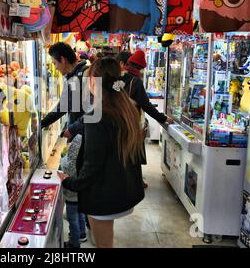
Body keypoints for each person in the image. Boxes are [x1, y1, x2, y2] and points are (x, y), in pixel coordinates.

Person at [58, 57, 146, 248]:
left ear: (93, 81)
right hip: (123, 189)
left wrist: (69, 181)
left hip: (103, 195)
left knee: (103, 245)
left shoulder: (97, 116)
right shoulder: (126, 107)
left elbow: (92, 165)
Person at [121, 50, 173, 188]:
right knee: (134, 151)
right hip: (132, 122)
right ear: (140, 67)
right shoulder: (135, 81)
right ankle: (136, 181)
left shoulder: (120, 77)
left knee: (124, 151)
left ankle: (124, 179)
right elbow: (146, 105)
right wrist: (162, 118)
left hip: (118, 121)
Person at [41, 42, 89, 141]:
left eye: (55, 63)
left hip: (89, 138)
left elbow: (95, 111)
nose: (55, 67)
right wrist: (41, 124)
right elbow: (62, 107)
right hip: (79, 138)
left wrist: (72, 129)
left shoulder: (87, 75)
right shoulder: (71, 77)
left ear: (62, 60)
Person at [59, 134, 87, 248]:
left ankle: (74, 243)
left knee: (72, 220)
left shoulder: (71, 164)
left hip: (71, 196)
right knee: (81, 214)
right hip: (81, 195)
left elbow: (66, 170)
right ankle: (82, 234)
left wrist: (62, 161)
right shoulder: (84, 162)